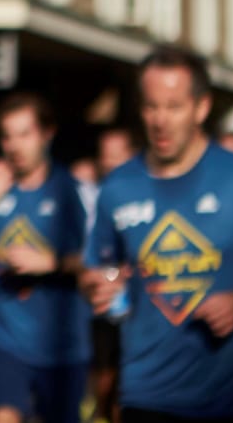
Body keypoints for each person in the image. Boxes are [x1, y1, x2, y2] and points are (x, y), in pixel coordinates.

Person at [84, 46, 233, 423]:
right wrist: (97, 285)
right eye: (151, 106)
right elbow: (98, 271)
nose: (160, 120)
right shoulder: (117, 186)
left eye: (174, 107)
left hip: (231, 399)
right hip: (148, 395)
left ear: (201, 108)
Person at [0, 92, 92, 423]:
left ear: (47, 133)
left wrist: (53, 263)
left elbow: (101, 263)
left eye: (24, 134)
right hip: (6, 339)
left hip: (63, 345)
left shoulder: (75, 190)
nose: (14, 146)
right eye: (7, 136)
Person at [89, 126, 137, 423]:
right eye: (105, 156)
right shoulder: (95, 196)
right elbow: (86, 256)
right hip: (105, 303)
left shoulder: (148, 190)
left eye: (117, 156)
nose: (110, 163)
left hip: (147, 308)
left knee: (128, 383)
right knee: (105, 376)